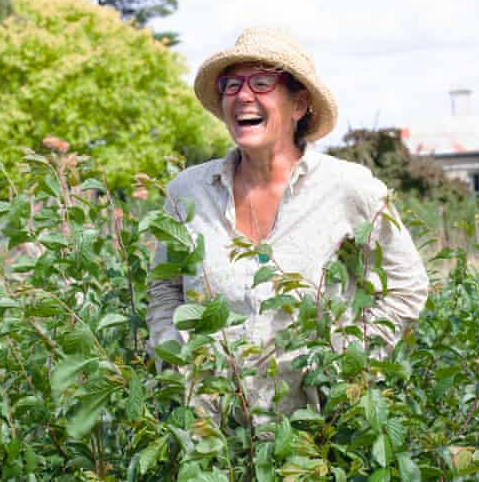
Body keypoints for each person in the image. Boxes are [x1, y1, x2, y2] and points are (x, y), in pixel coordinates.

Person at [147, 27, 428, 415]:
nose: (243, 95)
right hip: (208, 440)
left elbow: (406, 286)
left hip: (316, 438)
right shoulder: (188, 192)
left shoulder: (349, 188)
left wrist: (350, 365)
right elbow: (165, 289)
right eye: (232, 85)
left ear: (299, 104)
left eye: (262, 82)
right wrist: (175, 366)